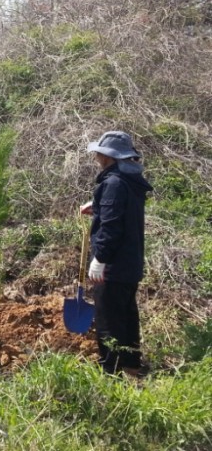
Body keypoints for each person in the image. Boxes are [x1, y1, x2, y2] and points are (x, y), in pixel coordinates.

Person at [81, 131, 152, 377]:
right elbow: (122, 212)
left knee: (108, 319)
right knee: (127, 315)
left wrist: (100, 258)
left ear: (108, 157)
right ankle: (132, 366)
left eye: (99, 153)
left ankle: (109, 373)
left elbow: (111, 227)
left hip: (113, 264)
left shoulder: (112, 183)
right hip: (130, 263)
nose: (96, 156)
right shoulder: (131, 181)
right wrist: (98, 206)